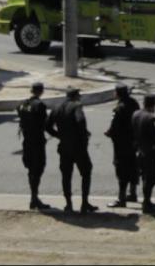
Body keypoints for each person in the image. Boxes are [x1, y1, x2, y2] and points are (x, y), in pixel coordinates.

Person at [45, 88, 97, 214]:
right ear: (76, 96)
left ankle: (68, 204)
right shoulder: (76, 106)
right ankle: (84, 203)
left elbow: (47, 126)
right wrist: (84, 135)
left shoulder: (56, 108)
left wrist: (59, 135)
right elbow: (80, 120)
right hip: (78, 147)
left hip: (64, 147)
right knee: (86, 173)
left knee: (66, 176)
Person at [132, 94, 155, 214]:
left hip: (139, 151)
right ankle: (147, 203)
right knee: (152, 178)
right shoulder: (151, 118)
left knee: (144, 177)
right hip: (150, 153)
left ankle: (146, 201)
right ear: (153, 104)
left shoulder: (136, 114)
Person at [104, 83, 140, 208]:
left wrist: (108, 133)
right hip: (134, 142)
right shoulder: (134, 103)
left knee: (121, 170)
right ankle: (133, 193)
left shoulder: (119, 108)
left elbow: (114, 126)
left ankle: (121, 199)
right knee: (133, 166)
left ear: (118, 94)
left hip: (121, 144)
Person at [16, 82, 50, 210]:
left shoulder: (23, 104)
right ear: (41, 91)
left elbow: (20, 116)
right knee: (38, 169)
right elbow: (45, 124)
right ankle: (34, 198)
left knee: (31, 170)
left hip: (27, 142)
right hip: (37, 142)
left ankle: (33, 198)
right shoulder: (40, 105)